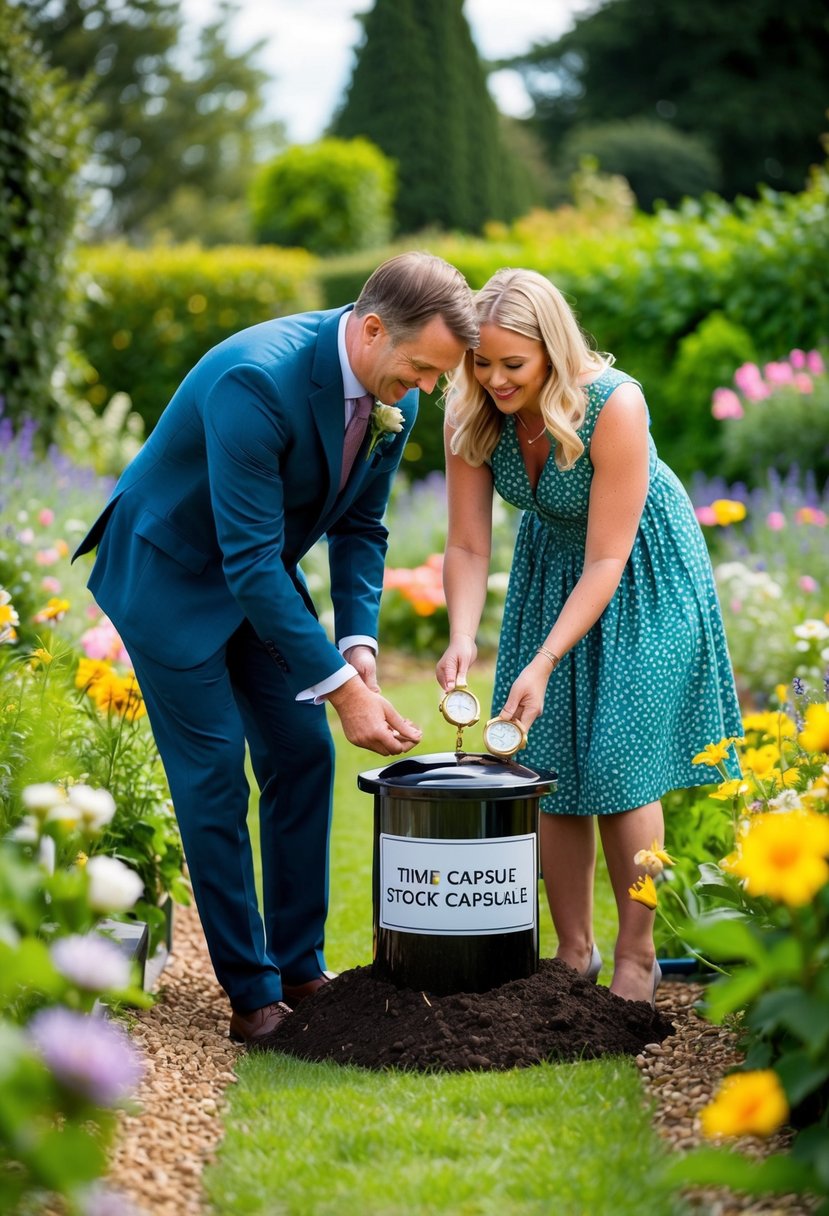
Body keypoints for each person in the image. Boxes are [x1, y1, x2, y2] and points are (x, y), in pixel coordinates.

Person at [74, 252, 478, 1045]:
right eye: (422, 369)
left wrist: (355, 647)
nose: (427, 389)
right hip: (168, 575)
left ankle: (300, 966)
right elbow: (252, 562)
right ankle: (252, 994)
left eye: (439, 375)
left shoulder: (397, 393)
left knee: (302, 754)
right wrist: (343, 691)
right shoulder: (255, 380)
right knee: (216, 775)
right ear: (369, 331)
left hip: (252, 576)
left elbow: (361, 526)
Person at [436, 268, 741, 1005]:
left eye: (514, 364)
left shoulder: (614, 404)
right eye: (482, 362)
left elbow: (609, 555)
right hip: (550, 570)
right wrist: (460, 636)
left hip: (639, 572)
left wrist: (543, 658)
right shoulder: (473, 409)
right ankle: (573, 954)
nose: (495, 379)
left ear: (553, 350)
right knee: (541, 755)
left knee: (621, 758)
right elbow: (469, 547)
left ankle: (638, 953)